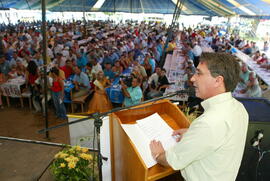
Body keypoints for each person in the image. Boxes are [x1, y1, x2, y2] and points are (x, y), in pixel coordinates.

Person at [150, 52, 248, 181]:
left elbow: (173, 160)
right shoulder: (239, 108)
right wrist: (193, 134)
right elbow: (218, 138)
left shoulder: (209, 123)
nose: (192, 79)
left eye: (199, 73)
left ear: (218, 80)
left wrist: (157, 154)